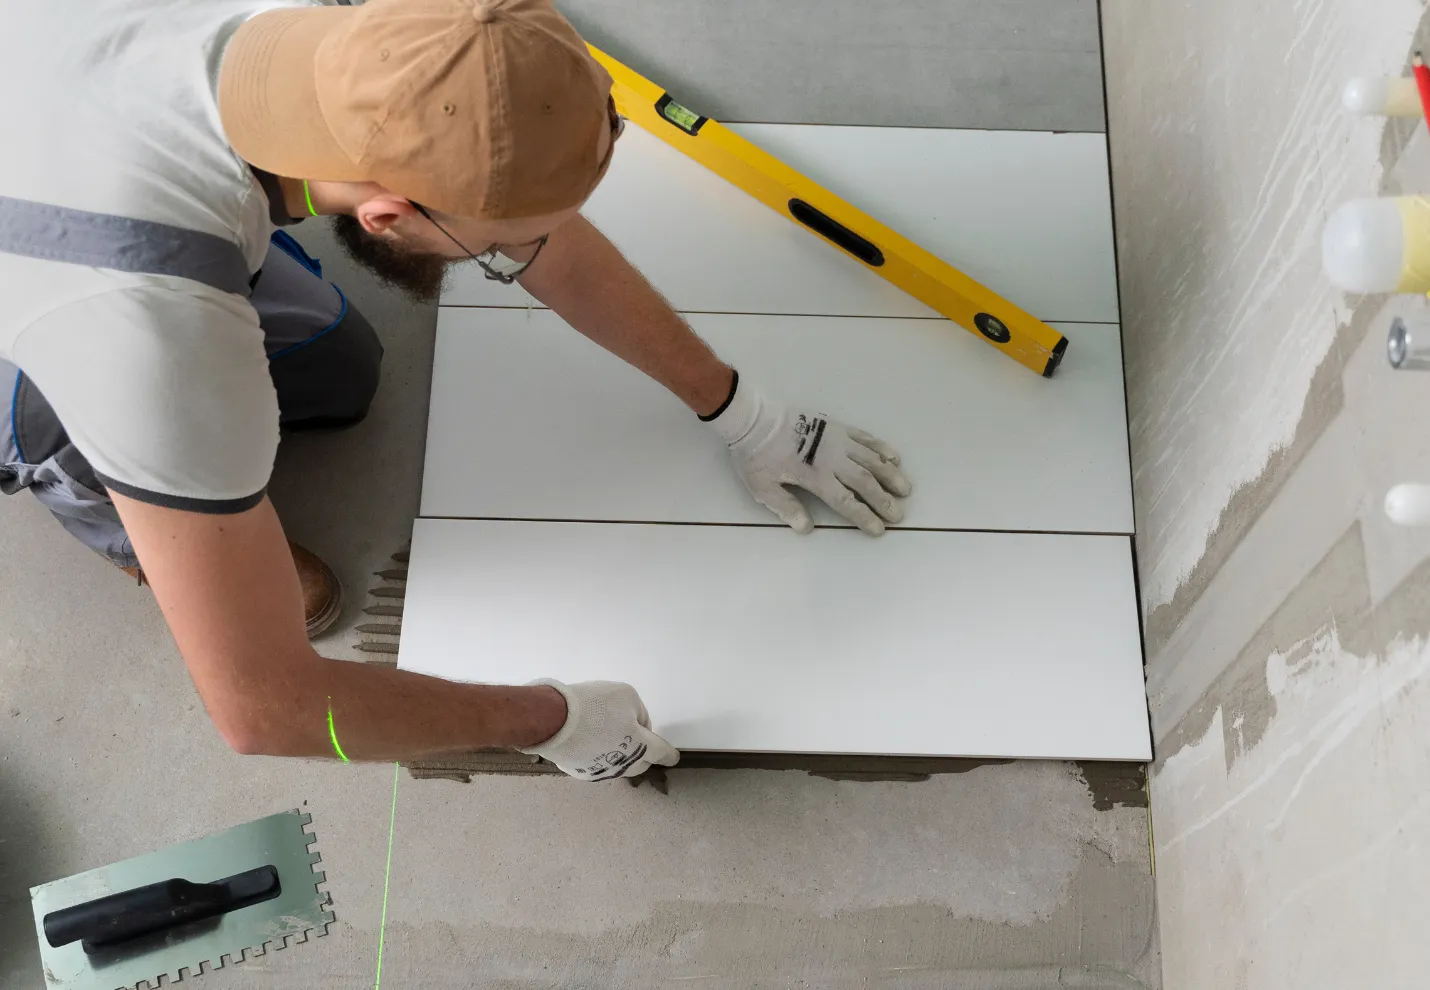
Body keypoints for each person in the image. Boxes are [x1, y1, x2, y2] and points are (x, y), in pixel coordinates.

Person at [0, 0, 912, 781]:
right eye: (493, 251)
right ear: (387, 214)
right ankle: (104, 502)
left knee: (339, 370)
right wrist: (549, 721)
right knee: (169, 448)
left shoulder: (405, 38)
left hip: (70, 123)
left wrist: (739, 411)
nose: (509, 258)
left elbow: (517, 204)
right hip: (60, 284)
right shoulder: (151, 332)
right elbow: (265, 710)